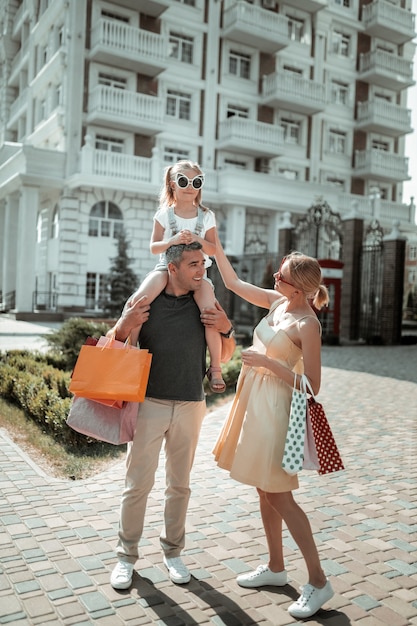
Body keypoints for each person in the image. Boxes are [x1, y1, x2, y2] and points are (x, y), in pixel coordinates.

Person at [212, 233, 335, 620]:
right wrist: (215, 250)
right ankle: (277, 568)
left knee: (279, 494)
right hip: (255, 403)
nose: (274, 280)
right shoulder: (279, 302)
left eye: (280, 277)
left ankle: (318, 581)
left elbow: (313, 385)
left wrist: (267, 364)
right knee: (264, 491)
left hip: (280, 410)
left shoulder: (307, 324)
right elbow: (233, 284)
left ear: (299, 288)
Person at [109, 241, 236, 590]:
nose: (201, 271)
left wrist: (226, 327)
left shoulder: (203, 301)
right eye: (193, 264)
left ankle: (173, 553)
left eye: (203, 264)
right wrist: (124, 323)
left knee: (179, 486)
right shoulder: (150, 301)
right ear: (173, 269)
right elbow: (117, 343)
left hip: (191, 404)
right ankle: (126, 557)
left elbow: (224, 353)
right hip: (149, 403)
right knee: (137, 485)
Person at [127, 160, 226, 393]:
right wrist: (172, 241)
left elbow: (212, 250)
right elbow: (154, 247)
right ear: (173, 185)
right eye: (184, 181)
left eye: (197, 182)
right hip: (166, 269)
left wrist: (198, 239)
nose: (190, 186)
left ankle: (216, 368)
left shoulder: (206, 215)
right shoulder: (164, 214)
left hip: (198, 274)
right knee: (138, 301)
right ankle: (130, 355)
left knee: (210, 312)